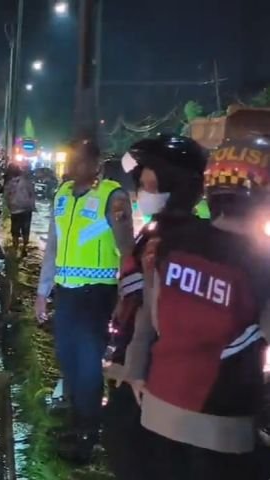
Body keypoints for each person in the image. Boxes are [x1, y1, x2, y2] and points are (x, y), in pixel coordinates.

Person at [123, 136, 270, 480]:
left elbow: (149, 315)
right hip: (223, 429)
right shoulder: (261, 262)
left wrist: (135, 369)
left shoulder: (170, 241)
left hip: (155, 412)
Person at [101, 135, 208, 480]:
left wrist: (137, 369)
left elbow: (155, 312)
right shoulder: (153, 233)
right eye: (141, 183)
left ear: (177, 187)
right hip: (138, 376)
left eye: (149, 184)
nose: (142, 192)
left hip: (158, 385)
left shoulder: (184, 242)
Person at [35, 139, 134, 463]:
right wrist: (42, 292)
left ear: (96, 166)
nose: (72, 167)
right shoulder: (61, 196)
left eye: (79, 161)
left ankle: (88, 438)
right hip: (66, 294)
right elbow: (52, 247)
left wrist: (125, 295)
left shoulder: (113, 196)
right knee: (69, 361)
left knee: (89, 367)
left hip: (97, 294)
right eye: (70, 161)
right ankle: (77, 423)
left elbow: (127, 250)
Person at [4, 165, 36, 255]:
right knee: (26, 230)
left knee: (15, 232)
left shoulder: (9, 183)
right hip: (26, 210)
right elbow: (32, 194)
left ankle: (15, 250)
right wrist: (32, 206)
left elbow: (6, 197)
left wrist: (9, 207)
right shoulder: (27, 181)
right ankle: (24, 249)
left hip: (15, 211)